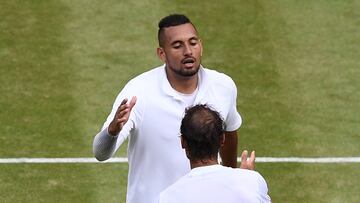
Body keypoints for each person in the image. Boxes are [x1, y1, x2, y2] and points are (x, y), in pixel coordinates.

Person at [93, 14, 254, 203]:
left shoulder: (223, 86)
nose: (188, 51)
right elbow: (100, 153)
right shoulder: (138, 92)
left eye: (193, 43)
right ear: (162, 53)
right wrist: (112, 131)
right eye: (178, 46)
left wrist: (232, 179)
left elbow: (229, 134)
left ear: (201, 45)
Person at [158, 104, 271, 203]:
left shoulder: (167, 198)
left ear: (183, 142)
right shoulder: (252, 182)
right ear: (222, 139)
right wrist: (246, 180)